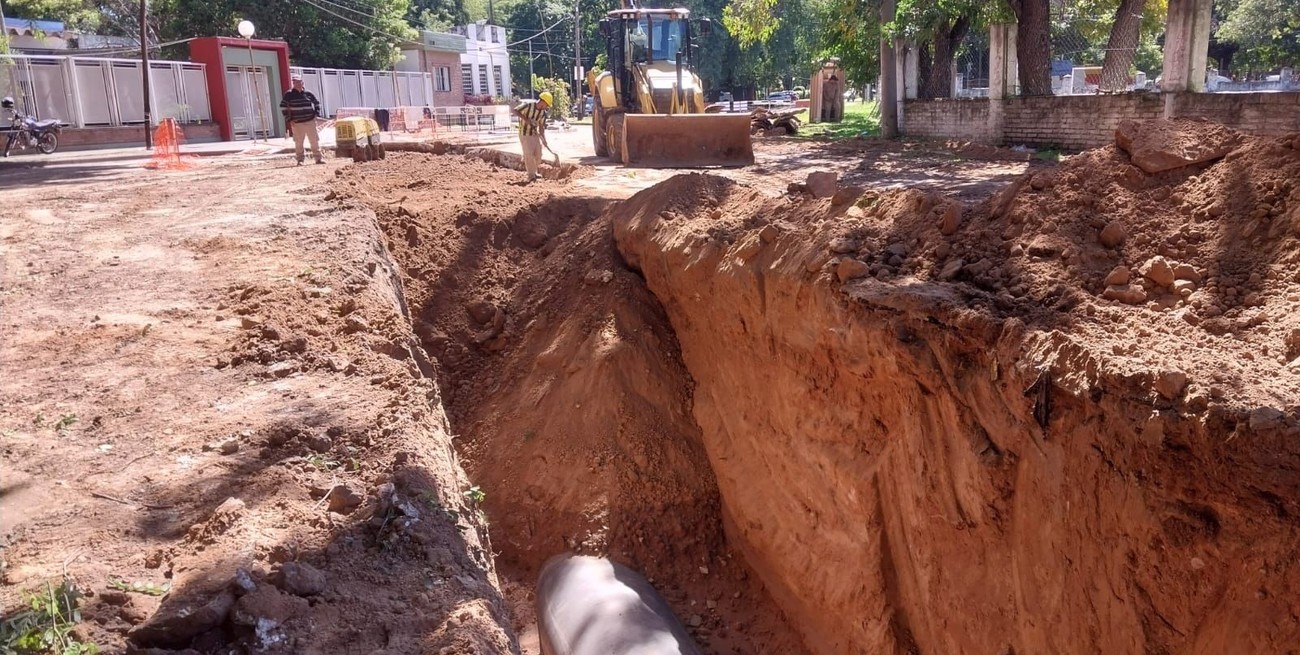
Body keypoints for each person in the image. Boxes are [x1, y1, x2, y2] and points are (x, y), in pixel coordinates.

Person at [280, 74, 323, 165]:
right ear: (293, 84)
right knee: (299, 142)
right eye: (295, 82)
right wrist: (289, 119)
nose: (297, 84)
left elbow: (316, 103)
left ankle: (318, 159)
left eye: (299, 82)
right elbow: (283, 107)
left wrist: (316, 114)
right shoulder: (289, 94)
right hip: (297, 123)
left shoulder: (308, 94)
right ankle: (300, 160)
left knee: (314, 141)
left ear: (302, 83)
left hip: (310, 121)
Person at [512, 91, 551, 183]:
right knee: (529, 154)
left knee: (538, 155)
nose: (547, 107)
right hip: (524, 134)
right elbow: (514, 110)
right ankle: (531, 175)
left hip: (534, 134)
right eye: (547, 104)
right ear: (543, 101)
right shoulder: (528, 105)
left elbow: (541, 127)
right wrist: (526, 120)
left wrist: (544, 139)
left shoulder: (543, 114)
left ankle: (534, 171)